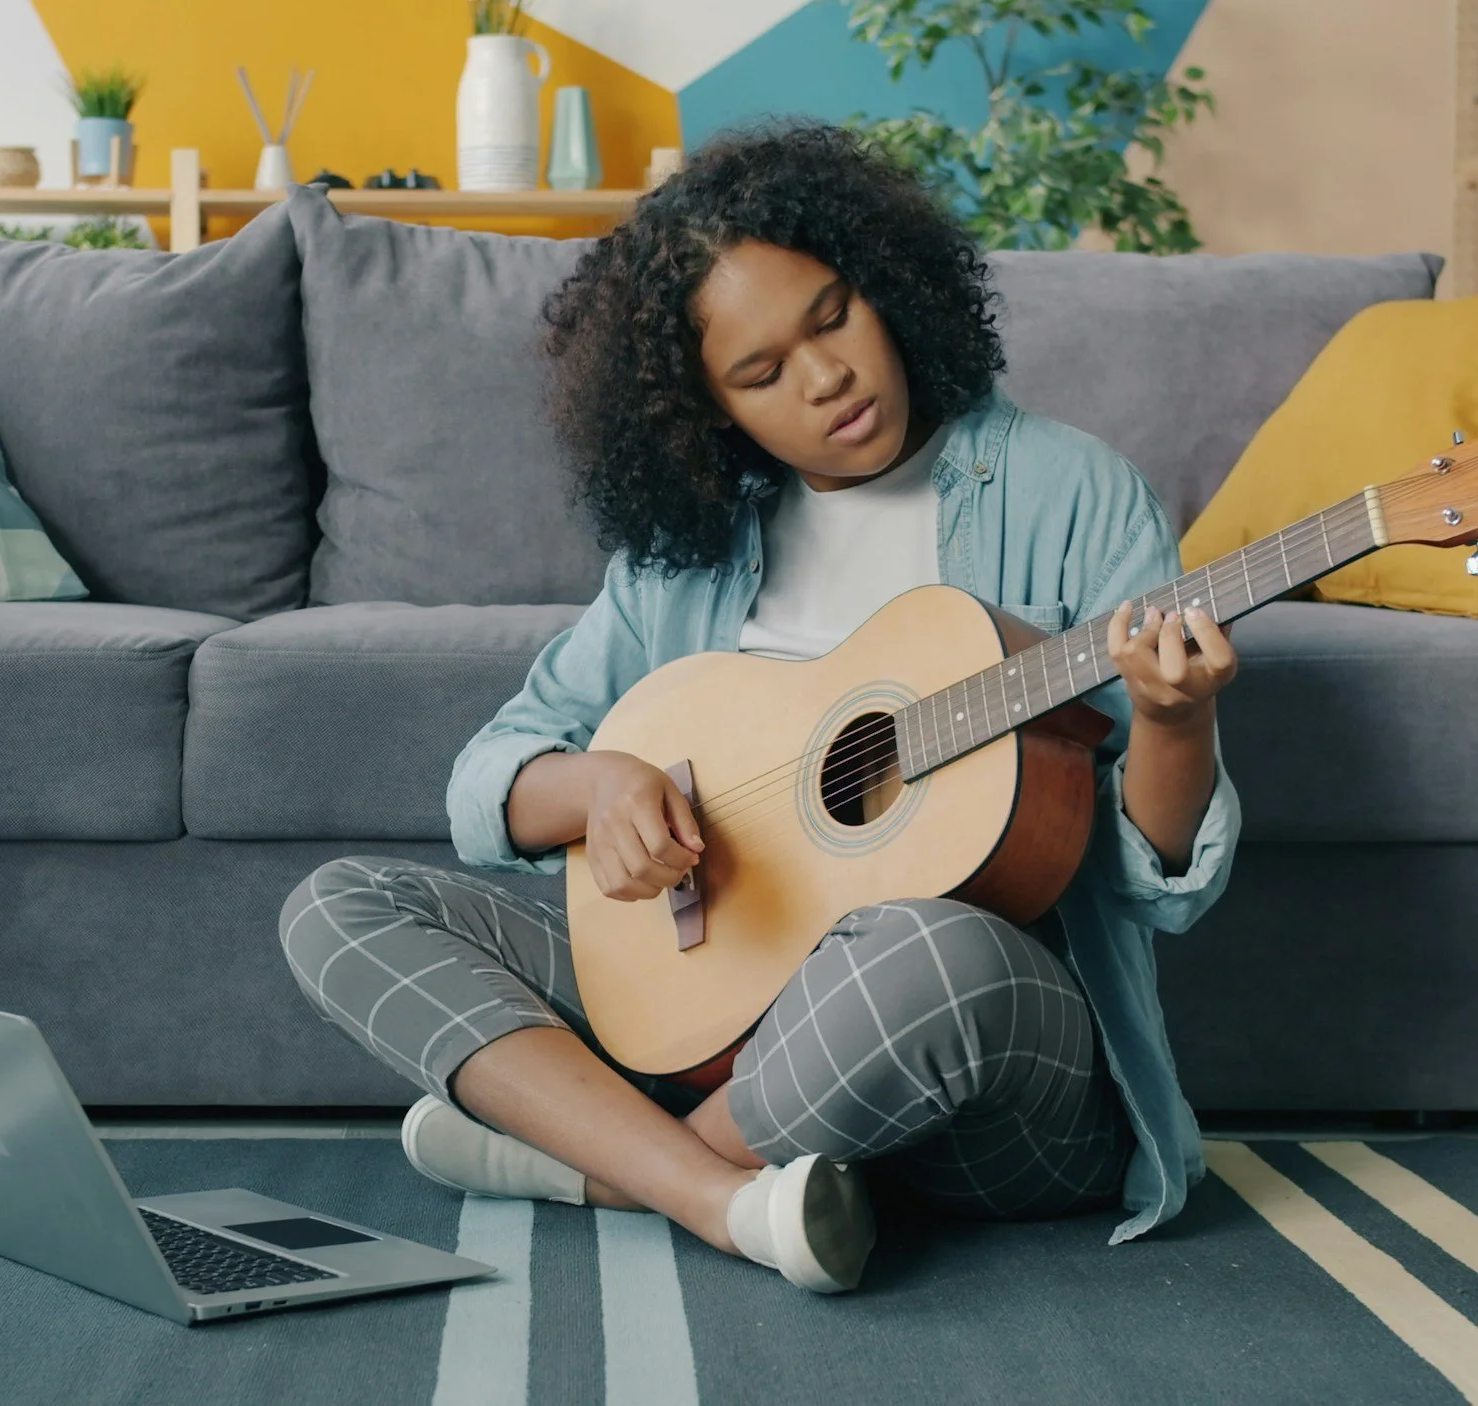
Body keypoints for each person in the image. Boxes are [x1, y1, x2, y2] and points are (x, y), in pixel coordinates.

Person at [279, 121, 1241, 1294]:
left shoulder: (1066, 489)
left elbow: (1159, 885)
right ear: (707, 412)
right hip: (709, 1030)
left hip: (987, 1084)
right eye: (760, 372)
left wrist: (1174, 721)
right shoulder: (690, 550)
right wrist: (599, 787)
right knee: (341, 902)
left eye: (833, 315)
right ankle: (724, 1197)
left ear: (885, 282)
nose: (826, 377)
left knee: (929, 947)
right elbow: (492, 780)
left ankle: (583, 1158)